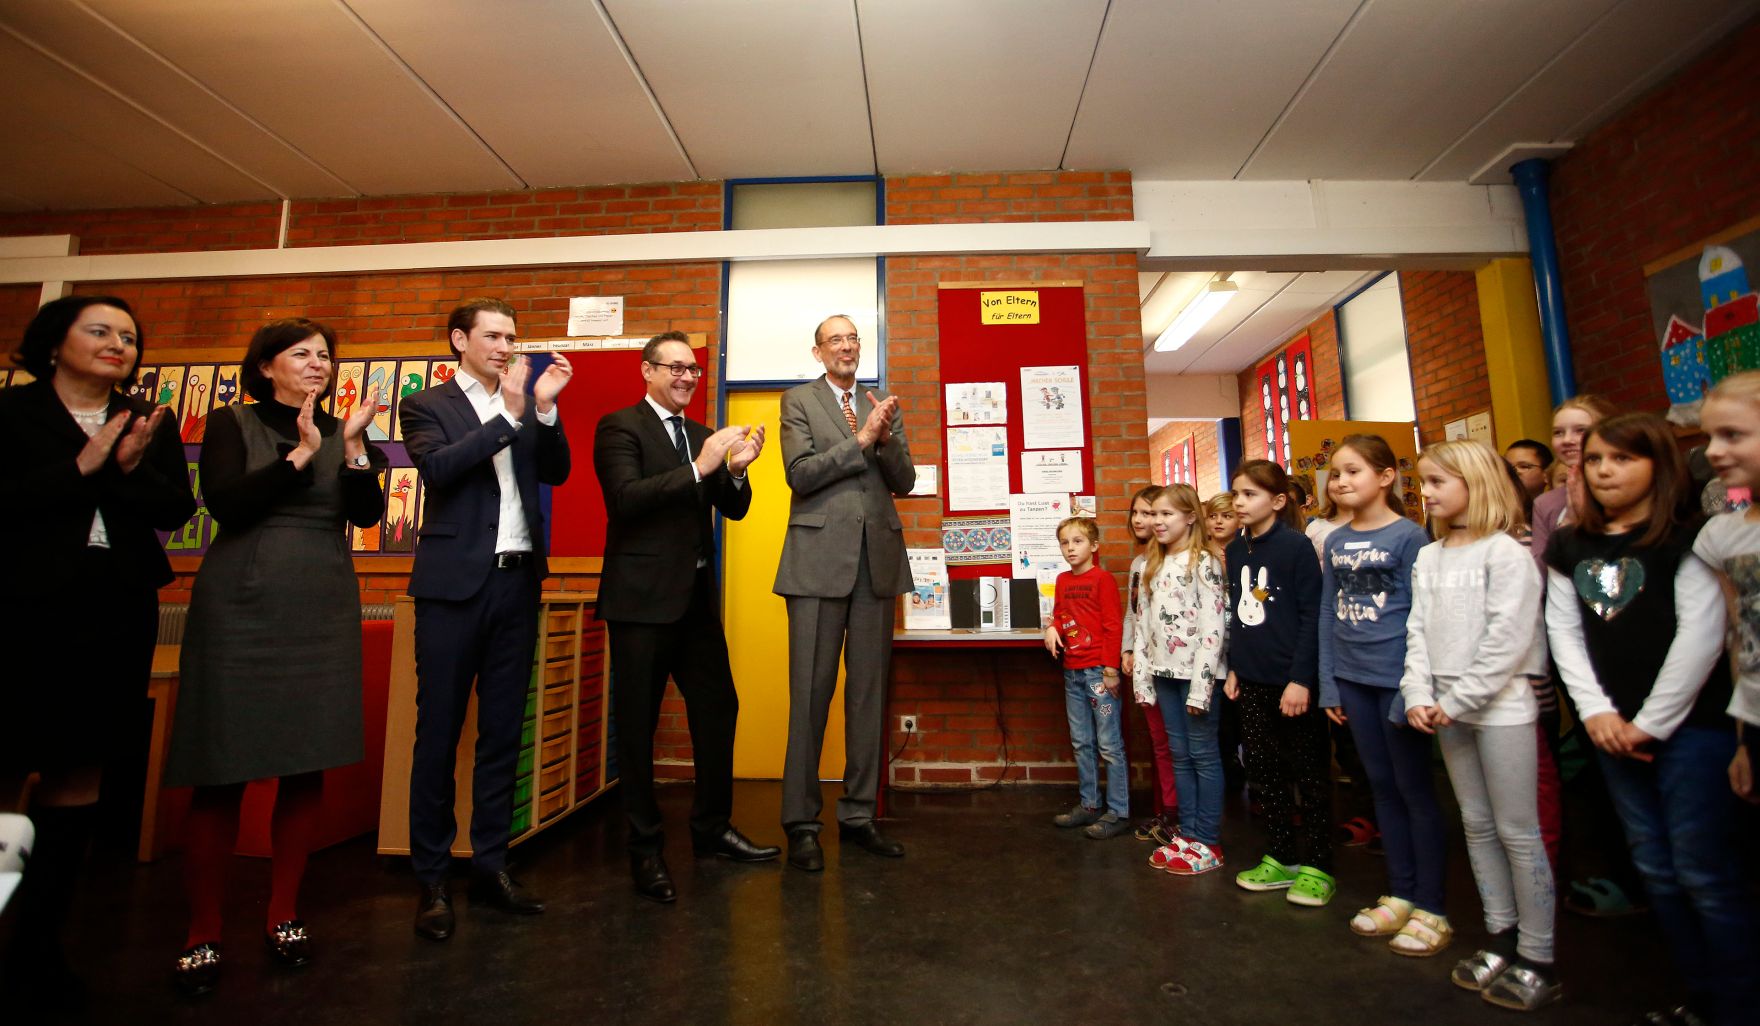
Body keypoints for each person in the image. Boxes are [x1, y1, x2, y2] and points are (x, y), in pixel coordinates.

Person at [164, 319, 386, 995]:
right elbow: (225, 505)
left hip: (321, 596)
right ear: (265, 365)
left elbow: (369, 512)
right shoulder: (234, 421)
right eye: (303, 354)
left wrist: (349, 452)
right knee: (222, 764)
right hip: (243, 599)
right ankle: (203, 930)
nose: (318, 364)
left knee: (304, 759)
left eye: (325, 355)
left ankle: (284, 913)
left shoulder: (346, 426)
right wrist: (298, 456)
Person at [0, 295, 195, 998]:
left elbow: (175, 511)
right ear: (54, 343)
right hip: (22, 609)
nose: (119, 343)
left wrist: (129, 467)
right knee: (8, 767)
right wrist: (82, 466)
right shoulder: (12, 415)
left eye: (130, 337)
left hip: (113, 608)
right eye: (101, 331)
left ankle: (39, 947)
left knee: (79, 773)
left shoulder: (146, 419)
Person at [1545, 413, 1756, 1026]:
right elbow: (1564, 631)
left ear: (1658, 466)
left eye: (1622, 459)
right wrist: (1597, 714)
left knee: (1704, 874)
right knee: (1656, 870)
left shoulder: (1687, 539)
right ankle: (1699, 997)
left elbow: (1703, 635)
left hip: (1691, 731)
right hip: (1611, 730)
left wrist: (1650, 724)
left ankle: (1740, 1007)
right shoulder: (1569, 545)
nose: (1604, 470)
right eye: (1594, 460)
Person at [399, 299, 572, 940]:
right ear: (459, 340)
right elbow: (440, 468)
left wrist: (546, 411)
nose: (505, 346)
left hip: (517, 585)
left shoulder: (528, 402)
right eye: (492, 336)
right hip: (451, 590)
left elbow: (557, 470)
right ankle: (433, 880)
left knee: (502, 733)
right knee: (439, 734)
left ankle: (492, 865)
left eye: (512, 337)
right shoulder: (427, 406)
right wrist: (511, 412)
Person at [593, 330, 776, 903]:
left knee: (719, 711)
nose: (686, 378)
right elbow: (626, 498)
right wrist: (702, 466)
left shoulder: (704, 435)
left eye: (693, 370)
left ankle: (711, 829)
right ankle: (646, 850)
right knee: (639, 728)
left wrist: (738, 469)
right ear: (646, 371)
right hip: (640, 605)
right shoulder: (620, 427)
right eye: (674, 368)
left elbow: (735, 508)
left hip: (695, 604)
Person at [1402, 440, 1556, 1010]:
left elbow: (1507, 639)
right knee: (1476, 824)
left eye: (1439, 481)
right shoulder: (1430, 556)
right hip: (1446, 709)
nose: (1428, 492)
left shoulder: (1505, 553)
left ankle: (1538, 954)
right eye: (1425, 482)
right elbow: (1417, 632)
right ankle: (1500, 937)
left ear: (1476, 483)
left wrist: (1458, 699)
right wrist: (1418, 692)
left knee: (1518, 830)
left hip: (1501, 709)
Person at [774, 315, 915, 871]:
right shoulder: (798, 402)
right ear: (818, 352)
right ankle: (801, 823)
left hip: (875, 565)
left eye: (854, 338)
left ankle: (859, 815)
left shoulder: (882, 403)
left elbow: (902, 482)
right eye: (837, 339)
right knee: (810, 695)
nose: (848, 347)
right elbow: (800, 474)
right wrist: (860, 439)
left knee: (868, 696)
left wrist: (884, 440)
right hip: (816, 565)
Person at [1314, 436, 1448, 954]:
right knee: (1381, 789)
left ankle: (1431, 903)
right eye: (1336, 474)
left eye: (1352, 472)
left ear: (1387, 476)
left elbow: (1421, 617)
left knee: (1416, 791)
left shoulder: (1411, 538)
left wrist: (1411, 690)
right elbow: (1329, 612)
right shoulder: (1340, 540)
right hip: (1352, 681)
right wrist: (1330, 685)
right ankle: (1400, 893)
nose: (1341, 482)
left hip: (1398, 684)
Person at [1223, 460, 1333, 906]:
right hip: (1250, 680)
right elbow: (1240, 616)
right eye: (1236, 494)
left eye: (1249, 494)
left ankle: (1319, 865)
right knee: (1264, 773)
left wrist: (1301, 679)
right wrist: (1234, 667)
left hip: (1293, 684)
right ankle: (1281, 857)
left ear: (1278, 500)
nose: (1239, 503)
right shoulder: (1234, 550)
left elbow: (1311, 617)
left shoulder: (1296, 547)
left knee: (1308, 774)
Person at [1133, 485, 1229, 874]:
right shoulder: (1150, 563)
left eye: (1166, 514)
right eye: (1153, 514)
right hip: (1163, 675)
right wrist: (1142, 679)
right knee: (1179, 756)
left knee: (1204, 756)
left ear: (1190, 517)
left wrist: (1202, 687)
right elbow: (1142, 625)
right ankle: (1186, 835)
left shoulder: (1204, 562)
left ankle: (1208, 840)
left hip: (1196, 679)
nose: (1156, 521)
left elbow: (1214, 627)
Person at [1043, 517, 1128, 839]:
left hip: (1098, 673)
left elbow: (1112, 626)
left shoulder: (1102, 579)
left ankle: (1118, 811)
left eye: (1077, 541)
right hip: (1072, 672)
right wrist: (1052, 626)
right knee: (1082, 742)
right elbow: (1063, 615)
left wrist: (1110, 670)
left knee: (1109, 744)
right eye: (1065, 543)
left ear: (1093, 546)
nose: (1070, 548)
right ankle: (1090, 804)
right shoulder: (1063, 580)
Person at [1699, 372, 1760, 803]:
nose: (1712, 451)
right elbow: (1739, 636)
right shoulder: (1723, 535)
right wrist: (1742, 739)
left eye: (1732, 435)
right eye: (1709, 437)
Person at [1121, 485, 1180, 844]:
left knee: (1180, 745)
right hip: (1146, 664)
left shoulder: (1181, 559)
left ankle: (1183, 816)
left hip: (1178, 666)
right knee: (1159, 742)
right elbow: (1133, 613)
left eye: (1151, 513)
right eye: (1137, 513)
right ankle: (1165, 813)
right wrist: (1128, 651)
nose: (1141, 520)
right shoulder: (1138, 563)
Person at [1305, 472, 1350, 561]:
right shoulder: (1315, 528)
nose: (1341, 483)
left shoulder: (1380, 526)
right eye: (1336, 476)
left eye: (1353, 472)